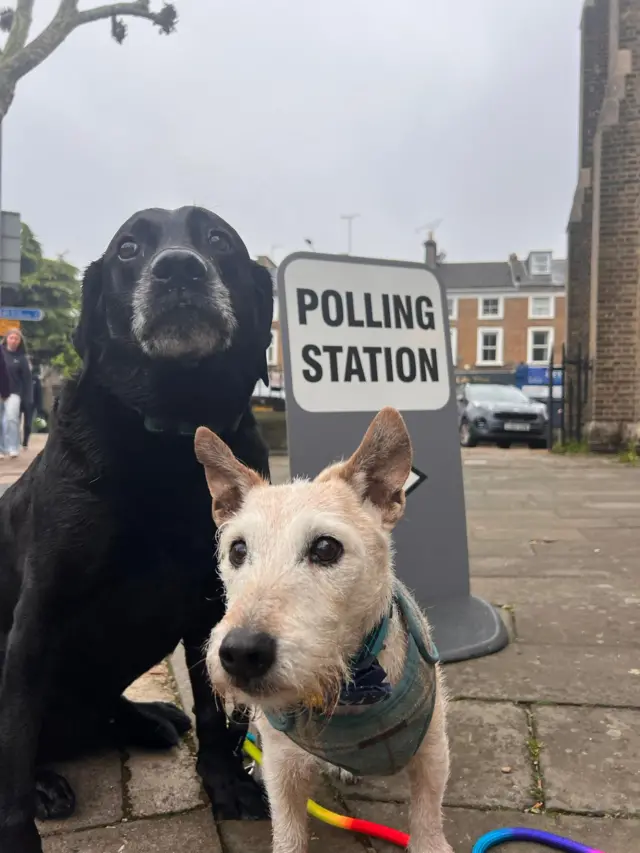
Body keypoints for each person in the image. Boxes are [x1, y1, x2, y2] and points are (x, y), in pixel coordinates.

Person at [0, 328, 32, 458]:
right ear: (6, 339)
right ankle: (1, 449)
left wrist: (28, 397)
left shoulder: (22, 358)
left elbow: (27, 380)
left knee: (11, 419)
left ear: (20, 341)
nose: (13, 340)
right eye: (11, 338)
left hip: (14, 392)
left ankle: (13, 447)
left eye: (16, 338)